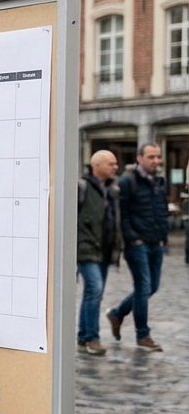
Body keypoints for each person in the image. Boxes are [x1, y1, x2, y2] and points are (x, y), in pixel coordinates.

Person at [107, 142, 168, 351]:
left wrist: (163, 236)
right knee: (143, 286)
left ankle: (117, 313)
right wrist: (132, 238)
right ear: (139, 158)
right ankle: (143, 335)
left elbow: (161, 209)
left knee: (153, 286)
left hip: (156, 241)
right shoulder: (127, 181)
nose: (156, 161)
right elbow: (121, 213)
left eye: (158, 157)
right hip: (137, 244)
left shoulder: (159, 181)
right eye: (151, 157)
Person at [76, 150, 122, 356]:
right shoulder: (82, 187)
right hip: (86, 247)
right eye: (111, 164)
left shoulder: (111, 189)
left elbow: (115, 220)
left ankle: (83, 336)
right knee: (94, 288)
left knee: (94, 292)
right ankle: (92, 338)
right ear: (97, 166)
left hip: (104, 248)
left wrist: (117, 247)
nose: (115, 167)